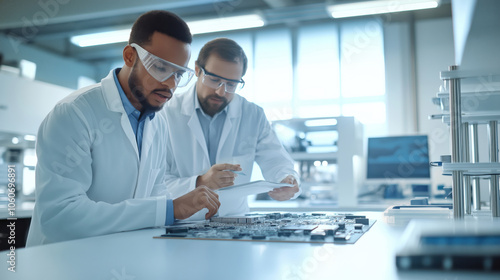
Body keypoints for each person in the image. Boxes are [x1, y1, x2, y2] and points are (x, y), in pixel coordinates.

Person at [27, 10, 220, 246]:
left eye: (179, 74)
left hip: (122, 257)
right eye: (160, 67)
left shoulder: (156, 121)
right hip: (64, 263)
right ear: (130, 56)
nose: (171, 84)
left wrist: (189, 209)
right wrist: (169, 210)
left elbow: (155, 197)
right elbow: (61, 216)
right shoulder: (74, 113)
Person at [161, 38, 300, 216]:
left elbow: (275, 160)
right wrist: (201, 182)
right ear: (197, 70)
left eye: (231, 84)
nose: (221, 91)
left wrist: (286, 180)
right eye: (214, 80)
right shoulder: (166, 113)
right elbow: (155, 182)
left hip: (234, 220)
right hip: (185, 221)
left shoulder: (253, 115)